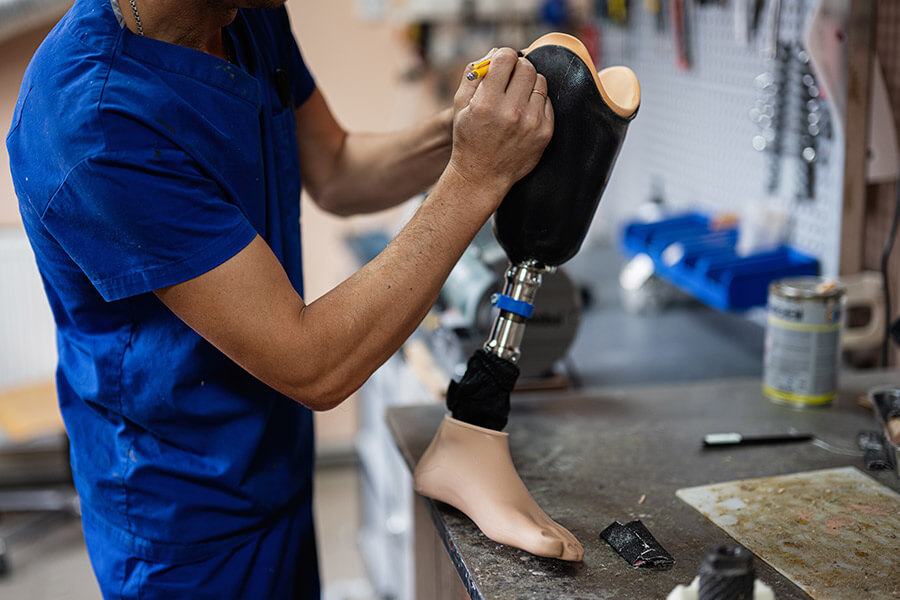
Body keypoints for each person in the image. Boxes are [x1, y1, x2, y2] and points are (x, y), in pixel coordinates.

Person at [6, 0, 553, 597]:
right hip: (183, 520)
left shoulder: (241, 13)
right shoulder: (94, 124)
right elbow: (311, 363)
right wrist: (476, 176)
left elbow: (338, 170)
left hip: (273, 461)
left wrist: (463, 130)